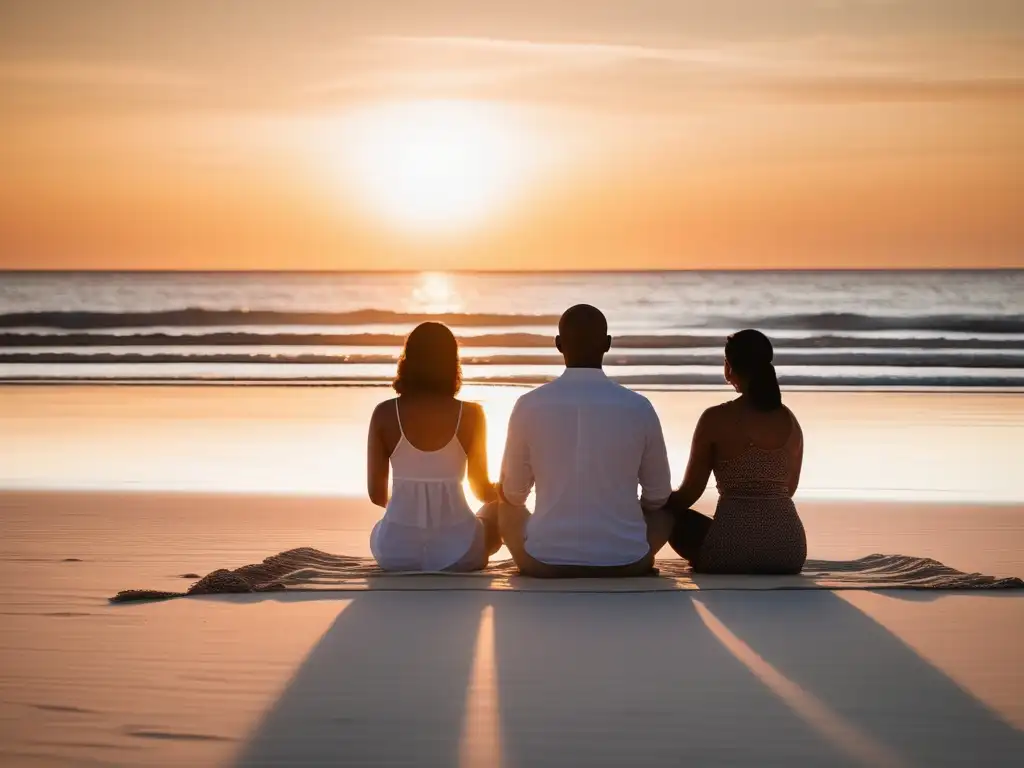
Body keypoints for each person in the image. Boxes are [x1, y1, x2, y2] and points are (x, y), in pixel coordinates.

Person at [497, 304, 675, 577]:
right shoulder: (639, 407)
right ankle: (616, 545)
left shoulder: (528, 405)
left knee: (505, 508)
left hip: (544, 562)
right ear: (607, 344)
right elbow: (658, 495)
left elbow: (514, 494)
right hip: (626, 561)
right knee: (665, 513)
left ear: (558, 344)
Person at [666, 329, 807, 574]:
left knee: (674, 520)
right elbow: (788, 490)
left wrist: (655, 503)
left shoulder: (715, 418)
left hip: (729, 551)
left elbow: (690, 493)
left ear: (728, 367)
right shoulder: (790, 421)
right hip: (789, 551)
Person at [367, 322, 501, 571]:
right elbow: (481, 490)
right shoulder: (471, 414)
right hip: (460, 556)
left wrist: (412, 506)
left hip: (395, 554)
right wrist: (507, 492)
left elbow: (376, 494)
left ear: (407, 360)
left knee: (383, 528)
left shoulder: (384, 413)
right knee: (496, 511)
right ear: (453, 363)